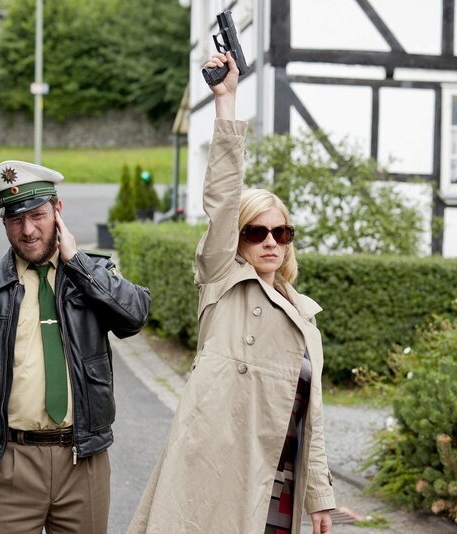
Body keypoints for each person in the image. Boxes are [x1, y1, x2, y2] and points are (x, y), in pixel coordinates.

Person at [128, 52, 335, 534]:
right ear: (237, 239)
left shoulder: (305, 316)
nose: (269, 242)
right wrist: (227, 100)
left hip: (277, 477)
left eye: (280, 233)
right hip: (214, 476)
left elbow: (314, 419)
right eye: (255, 232)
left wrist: (320, 498)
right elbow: (222, 197)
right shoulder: (221, 279)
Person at [0, 160, 151, 533]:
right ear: (3, 222)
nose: (28, 230)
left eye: (38, 215)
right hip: (7, 464)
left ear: (58, 210)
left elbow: (134, 317)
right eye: (15, 220)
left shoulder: (93, 276)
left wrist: (80, 265)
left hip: (83, 462)